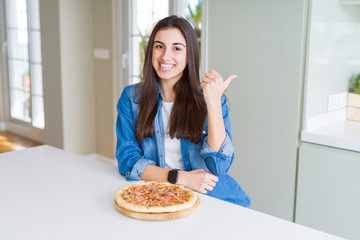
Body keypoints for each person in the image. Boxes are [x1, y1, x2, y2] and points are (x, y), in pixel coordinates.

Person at [116, 15, 251, 207]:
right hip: (158, 195)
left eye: (177, 48)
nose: (165, 56)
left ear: (190, 54)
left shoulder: (210, 99)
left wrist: (212, 102)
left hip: (210, 199)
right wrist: (181, 178)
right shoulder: (131, 98)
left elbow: (218, 166)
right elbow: (128, 161)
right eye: (159, 46)